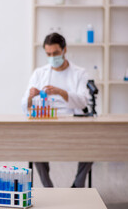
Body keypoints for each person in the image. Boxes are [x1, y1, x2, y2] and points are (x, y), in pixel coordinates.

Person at [21, 32, 92, 188]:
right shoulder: (40, 73)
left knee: (92, 144)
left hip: (73, 122)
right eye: (48, 54)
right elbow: (24, 105)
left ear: (64, 50)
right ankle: (48, 187)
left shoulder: (80, 73)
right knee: (34, 146)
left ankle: (78, 184)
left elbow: (83, 101)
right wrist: (30, 97)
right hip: (46, 122)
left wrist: (61, 92)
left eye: (55, 53)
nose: (52, 57)